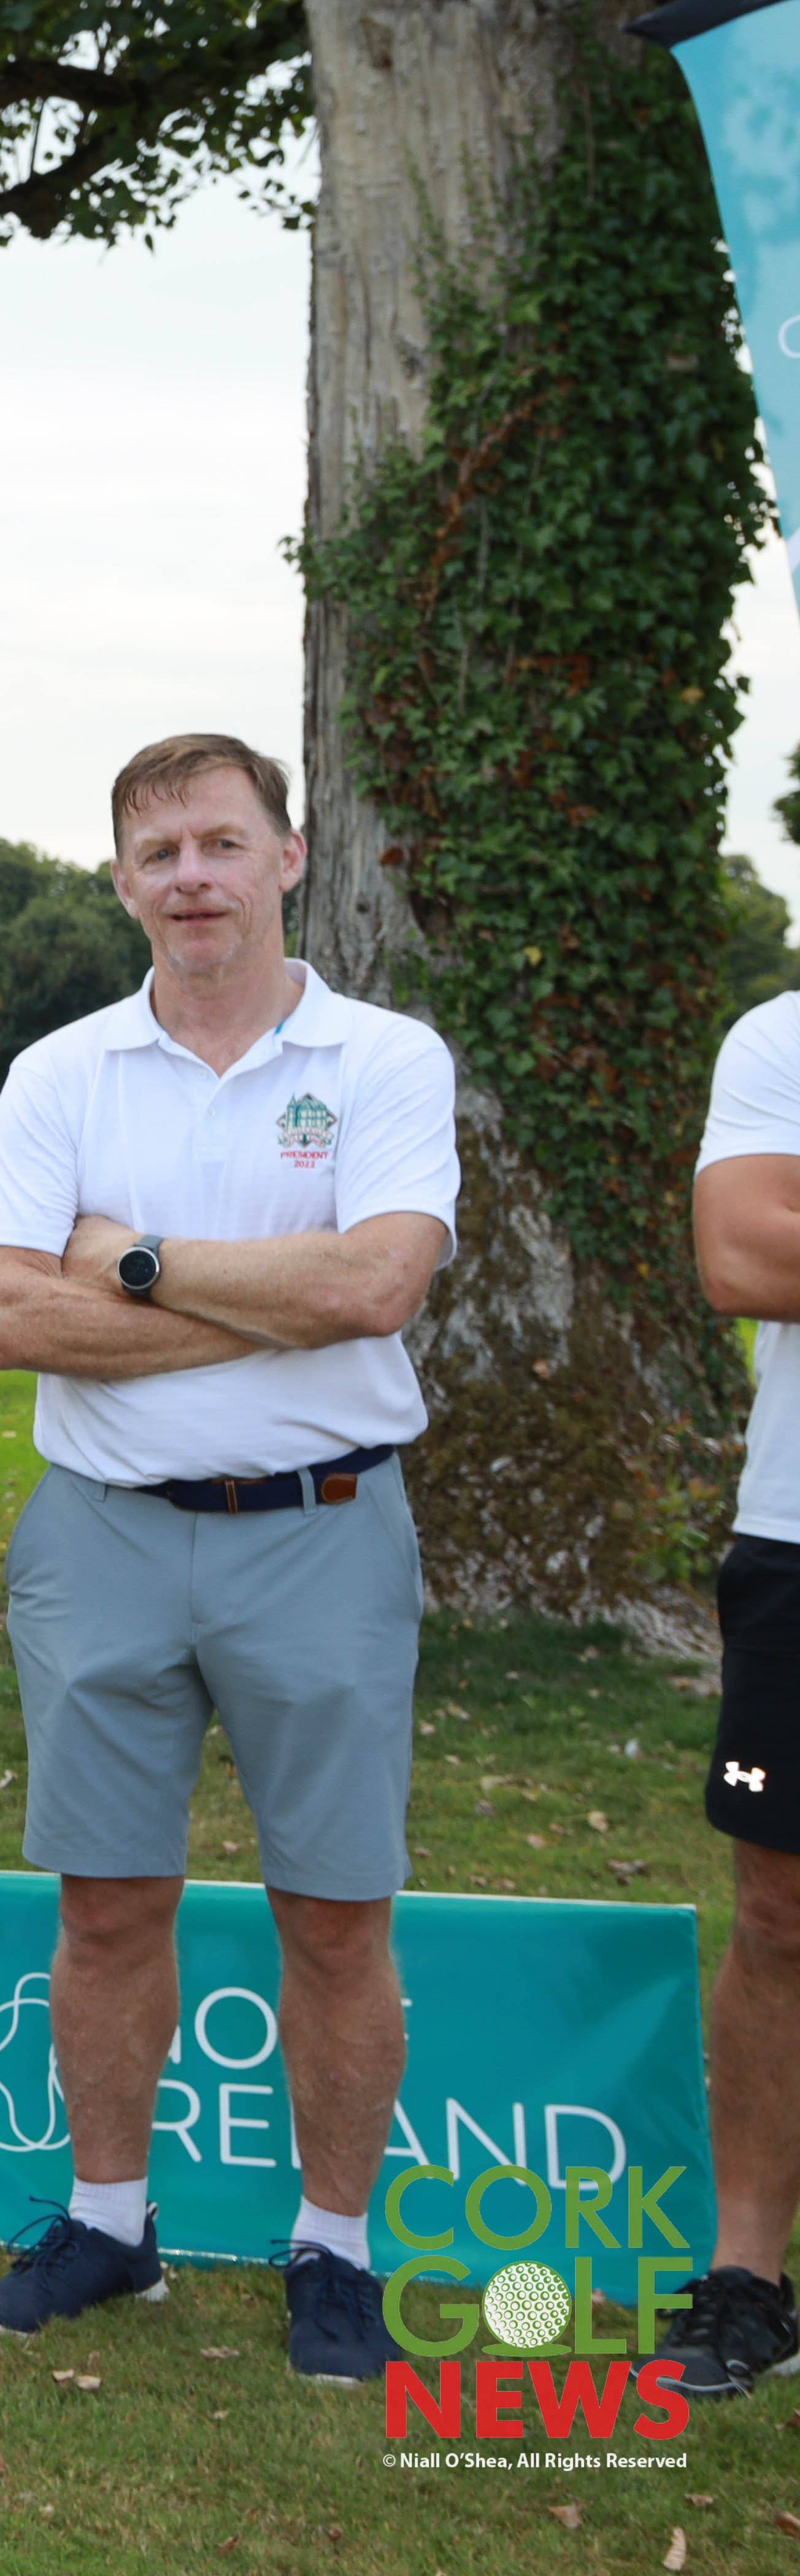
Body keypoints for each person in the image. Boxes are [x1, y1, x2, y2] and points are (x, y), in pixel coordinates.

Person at [0, 733, 454, 2385]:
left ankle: (337, 2247)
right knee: (106, 1905)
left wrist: (137, 1265)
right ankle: (112, 2222)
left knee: (336, 1914)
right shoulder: (63, 1073)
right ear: (122, 881)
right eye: (160, 852)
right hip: (101, 1535)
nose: (194, 878)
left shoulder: (382, 1058)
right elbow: (5, 1313)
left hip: (323, 1531)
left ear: (288, 857)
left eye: (223, 843)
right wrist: (274, 1297)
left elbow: (376, 1288)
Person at [669, 991, 800, 2392]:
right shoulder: (783, 1037)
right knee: (779, 1911)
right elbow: (746, 1250)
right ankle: (750, 2280)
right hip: (799, 1537)